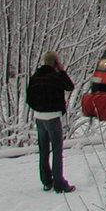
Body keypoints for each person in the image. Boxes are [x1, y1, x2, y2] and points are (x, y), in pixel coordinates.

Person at [26, 50, 75, 193]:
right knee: (57, 150)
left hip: (39, 117)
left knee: (43, 150)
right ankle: (59, 183)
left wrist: (38, 108)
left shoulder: (35, 76)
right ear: (55, 62)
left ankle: (47, 181)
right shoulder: (55, 76)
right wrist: (62, 71)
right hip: (53, 117)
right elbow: (70, 87)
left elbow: (29, 98)